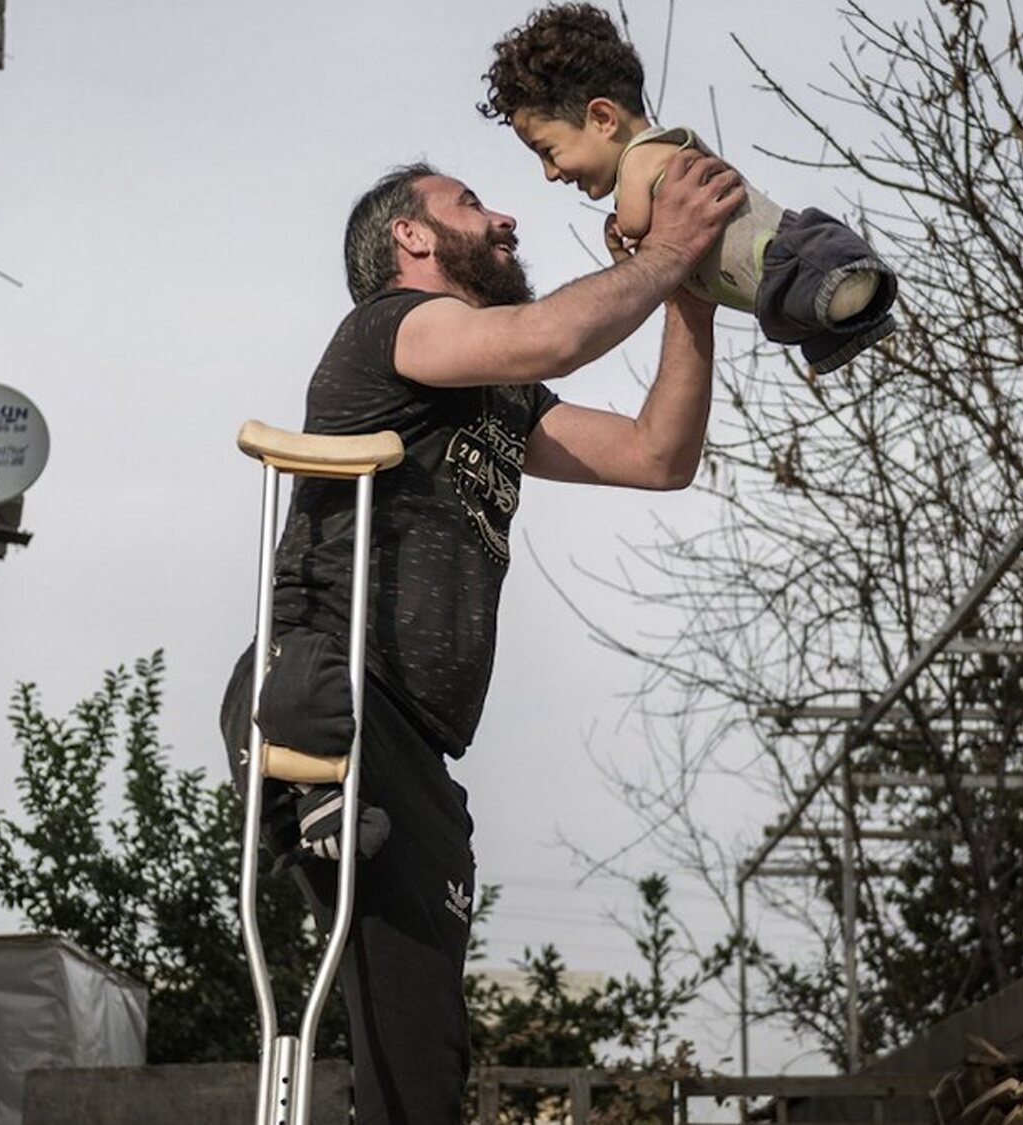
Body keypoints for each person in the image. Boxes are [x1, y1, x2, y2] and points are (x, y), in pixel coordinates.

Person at [221, 152, 743, 1124]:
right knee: (316, 741)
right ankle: (300, 794)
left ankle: (325, 819)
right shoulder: (394, 329)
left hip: (415, 746)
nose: (504, 216)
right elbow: (549, 336)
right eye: (470, 203)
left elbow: (657, 455)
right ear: (410, 238)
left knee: (423, 1054)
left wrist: (693, 299)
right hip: (331, 678)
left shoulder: (501, 394)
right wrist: (668, 246)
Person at [480, 2, 900, 374]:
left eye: (548, 150)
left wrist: (624, 241)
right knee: (812, 310)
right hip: (771, 284)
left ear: (603, 118)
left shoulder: (645, 155)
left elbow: (635, 222)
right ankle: (848, 307)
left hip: (783, 255)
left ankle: (847, 284)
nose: (550, 173)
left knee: (809, 276)